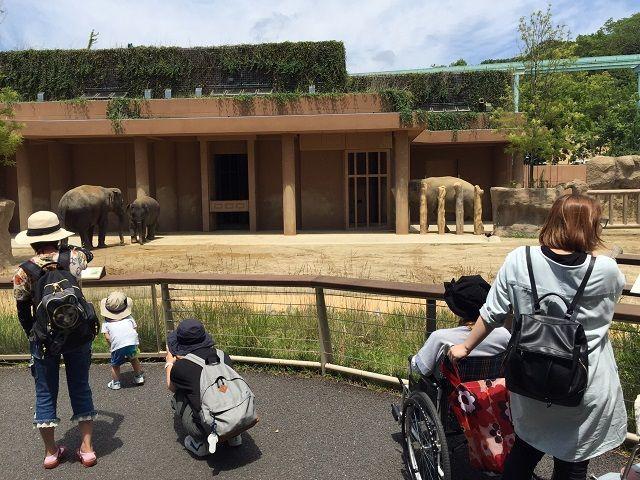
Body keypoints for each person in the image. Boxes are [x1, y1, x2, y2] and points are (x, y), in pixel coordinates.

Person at [449, 194, 627, 480]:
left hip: (531, 380)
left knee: (526, 449)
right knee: (573, 462)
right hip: (585, 385)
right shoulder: (605, 270)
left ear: (553, 220)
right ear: (592, 227)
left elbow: (493, 313)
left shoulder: (519, 259)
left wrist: (466, 346)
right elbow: (614, 296)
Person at [13, 211, 97, 469]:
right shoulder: (74, 257)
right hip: (78, 334)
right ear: (58, 236)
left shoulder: (23, 271)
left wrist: (34, 335)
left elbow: (22, 311)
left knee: (45, 392)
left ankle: (51, 453)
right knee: (80, 386)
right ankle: (87, 449)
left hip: (45, 339)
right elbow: (89, 252)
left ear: (32, 241)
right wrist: (67, 245)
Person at [164, 319, 242, 457]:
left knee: (178, 398)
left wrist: (169, 363)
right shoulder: (222, 355)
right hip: (240, 418)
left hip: (208, 426)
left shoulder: (181, 368)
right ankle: (233, 436)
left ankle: (199, 444)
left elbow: (171, 386)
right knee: (223, 389)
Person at [411, 275, 510, 376]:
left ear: (458, 310)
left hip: (451, 391)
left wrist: (412, 360)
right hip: (491, 390)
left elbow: (421, 369)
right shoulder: (504, 335)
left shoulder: (440, 337)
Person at [100, 291, 144, 390]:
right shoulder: (129, 318)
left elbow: (107, 337)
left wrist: (112, 345)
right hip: (131, 342)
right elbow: (134, 329)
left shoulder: (106, 322)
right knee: (133, 358)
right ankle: (139, 377)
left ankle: (116, 383)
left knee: (115, 364)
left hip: (117, 345)